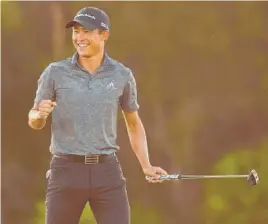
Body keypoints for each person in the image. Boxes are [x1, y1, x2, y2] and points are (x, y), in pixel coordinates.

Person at [28, 6, 167, 224]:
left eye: (87, 31)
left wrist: (146, 165)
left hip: (107, 171)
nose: (79, 37)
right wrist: (39, 116)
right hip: (65, 171)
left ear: (104, 35)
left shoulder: (122, 75)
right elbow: (34, 117)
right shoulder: (55, 72)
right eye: (76, 31)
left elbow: (133, 123)